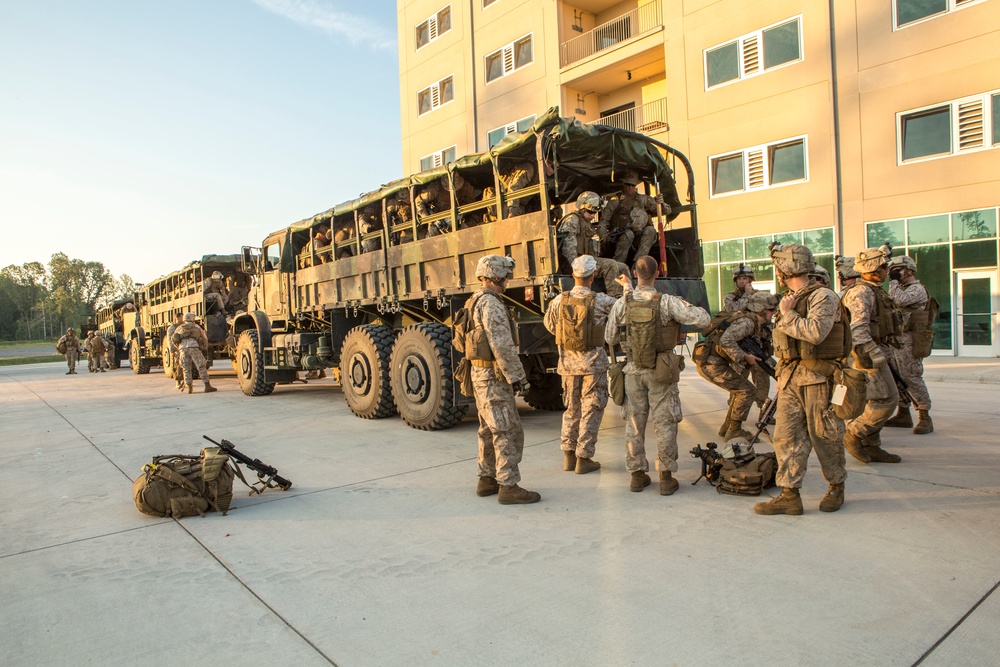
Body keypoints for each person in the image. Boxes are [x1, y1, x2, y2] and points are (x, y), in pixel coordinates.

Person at [753, 244, 851, 515]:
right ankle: (789, 494)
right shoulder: (792, 297)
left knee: (825, 436)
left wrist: (788, 315)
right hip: (790, 379)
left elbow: (816, 333)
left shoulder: (823, 296)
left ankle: (836, 485)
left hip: (819, 379)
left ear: (784, 269)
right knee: (786, 438)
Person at [605, 255, 710, 495]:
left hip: (632, 370)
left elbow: (610, 337)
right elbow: (703, 319)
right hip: (661, 369)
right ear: (658, 273)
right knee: (664, 422)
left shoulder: (622, 303)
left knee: (634, 423)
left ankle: (637, 475)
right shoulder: (668, 302)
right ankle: (666, 476)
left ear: (634, 273)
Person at [464, 255, 540, 505]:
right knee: (507, 430)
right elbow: (502, 345)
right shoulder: (491, 304)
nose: (508, 280)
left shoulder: (473, 300)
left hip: (479, 374)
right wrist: (518, 377)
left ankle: (486, 479)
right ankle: (508, 485)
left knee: (488, 428)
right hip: (493, 377)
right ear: (496, 277)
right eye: (506, 276)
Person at [542, 255, 621, 475]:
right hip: (593, 365)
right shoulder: (602, 300)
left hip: (567, 365)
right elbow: (623, 312)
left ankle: (568, 455)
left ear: (573, 276)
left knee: (571, 409)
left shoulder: (558, 300)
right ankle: (584, 457)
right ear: (593, 276)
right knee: (591, 409)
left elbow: (549, 324)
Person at [841, 247, 902, 464]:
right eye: (884, 266)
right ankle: (855, 434)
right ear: (873, 269)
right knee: (887, 399)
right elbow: (858, 329)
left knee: (875, 399)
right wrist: (875, 355)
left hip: (876, 349)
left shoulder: (874, 289)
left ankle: (872, 445)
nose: (888, 270)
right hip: (866, 355)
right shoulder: (862, 292)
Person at [696, 291, 778, 441]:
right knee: (747, 391)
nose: (774, 313)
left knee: (741, 390)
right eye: (772, 310)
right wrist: (744, 356)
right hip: (711, 363)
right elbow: (726, 341)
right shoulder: (746, 323)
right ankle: (734, 430)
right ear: (762, 309)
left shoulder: (755, 324)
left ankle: (727, 428)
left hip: (716, 362)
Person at [885, 254, 934, 434]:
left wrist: (892, 281)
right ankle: (903, 412)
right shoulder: (901, 288)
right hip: (898, 341)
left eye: (898, 270)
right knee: (897, 376)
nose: (895, 274)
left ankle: (924, 415)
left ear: (910, 270)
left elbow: (898, 300)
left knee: (911, 376)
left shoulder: (917, 289)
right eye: (892, 271)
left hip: (911, 341)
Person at [557, 191, 630, 298]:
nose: (593, 215)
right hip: (578, 264)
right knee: (610, 265)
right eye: (590, 212)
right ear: (582, 208)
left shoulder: (586, 222)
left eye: (594, 213)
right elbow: (569, 248)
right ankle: (615, 300)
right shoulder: (572, 220)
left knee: (622, 267)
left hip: (587, 261)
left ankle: (627, 299)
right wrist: (578, 269)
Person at [723, 264, 771, 422]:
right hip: (741, 345)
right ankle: (733, 416)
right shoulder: (731, 297)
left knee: (763, 378)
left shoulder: (759, 295)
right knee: (738, 380)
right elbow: (733, 311)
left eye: (746, 279)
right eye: (740, 279)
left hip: (758, 344)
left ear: (751, 280)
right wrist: (747, 296)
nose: (743, 282)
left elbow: (766, 315)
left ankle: (763, 412)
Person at [599, 169, 666, 266]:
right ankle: (617, 267)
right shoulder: (615, 201)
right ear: (623, 184)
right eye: (627, 184)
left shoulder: (643, 199)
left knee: (651, 230)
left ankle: (638, 265)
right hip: (621, 236)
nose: (630, 187)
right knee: (628, 234)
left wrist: (661, 203)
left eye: (632, 185)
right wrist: (605, 237)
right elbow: (603, 222)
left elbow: (665, 211)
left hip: (639, 236)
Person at [171, 313, 217, 394]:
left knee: (186, 368)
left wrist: (179, 347)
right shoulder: (196, 326)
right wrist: (203, 347)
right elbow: (203, 338)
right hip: (194, 348)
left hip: (183, 349)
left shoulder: (179, 328)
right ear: (193, 319)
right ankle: (207, 386)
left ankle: (189, 387)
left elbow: (174, 339)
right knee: (201, 366)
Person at [166, 312, 185, 391]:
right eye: (180, 317)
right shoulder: (172, 328)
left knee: (186, 365)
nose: (181, 319)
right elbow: (170, 340)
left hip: (184, 348)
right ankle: (178, 381)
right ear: (177, 318)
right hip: (177, 349)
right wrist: (172, 350)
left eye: (182, 317)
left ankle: (185, 381)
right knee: (177, 365)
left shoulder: (184, 326)